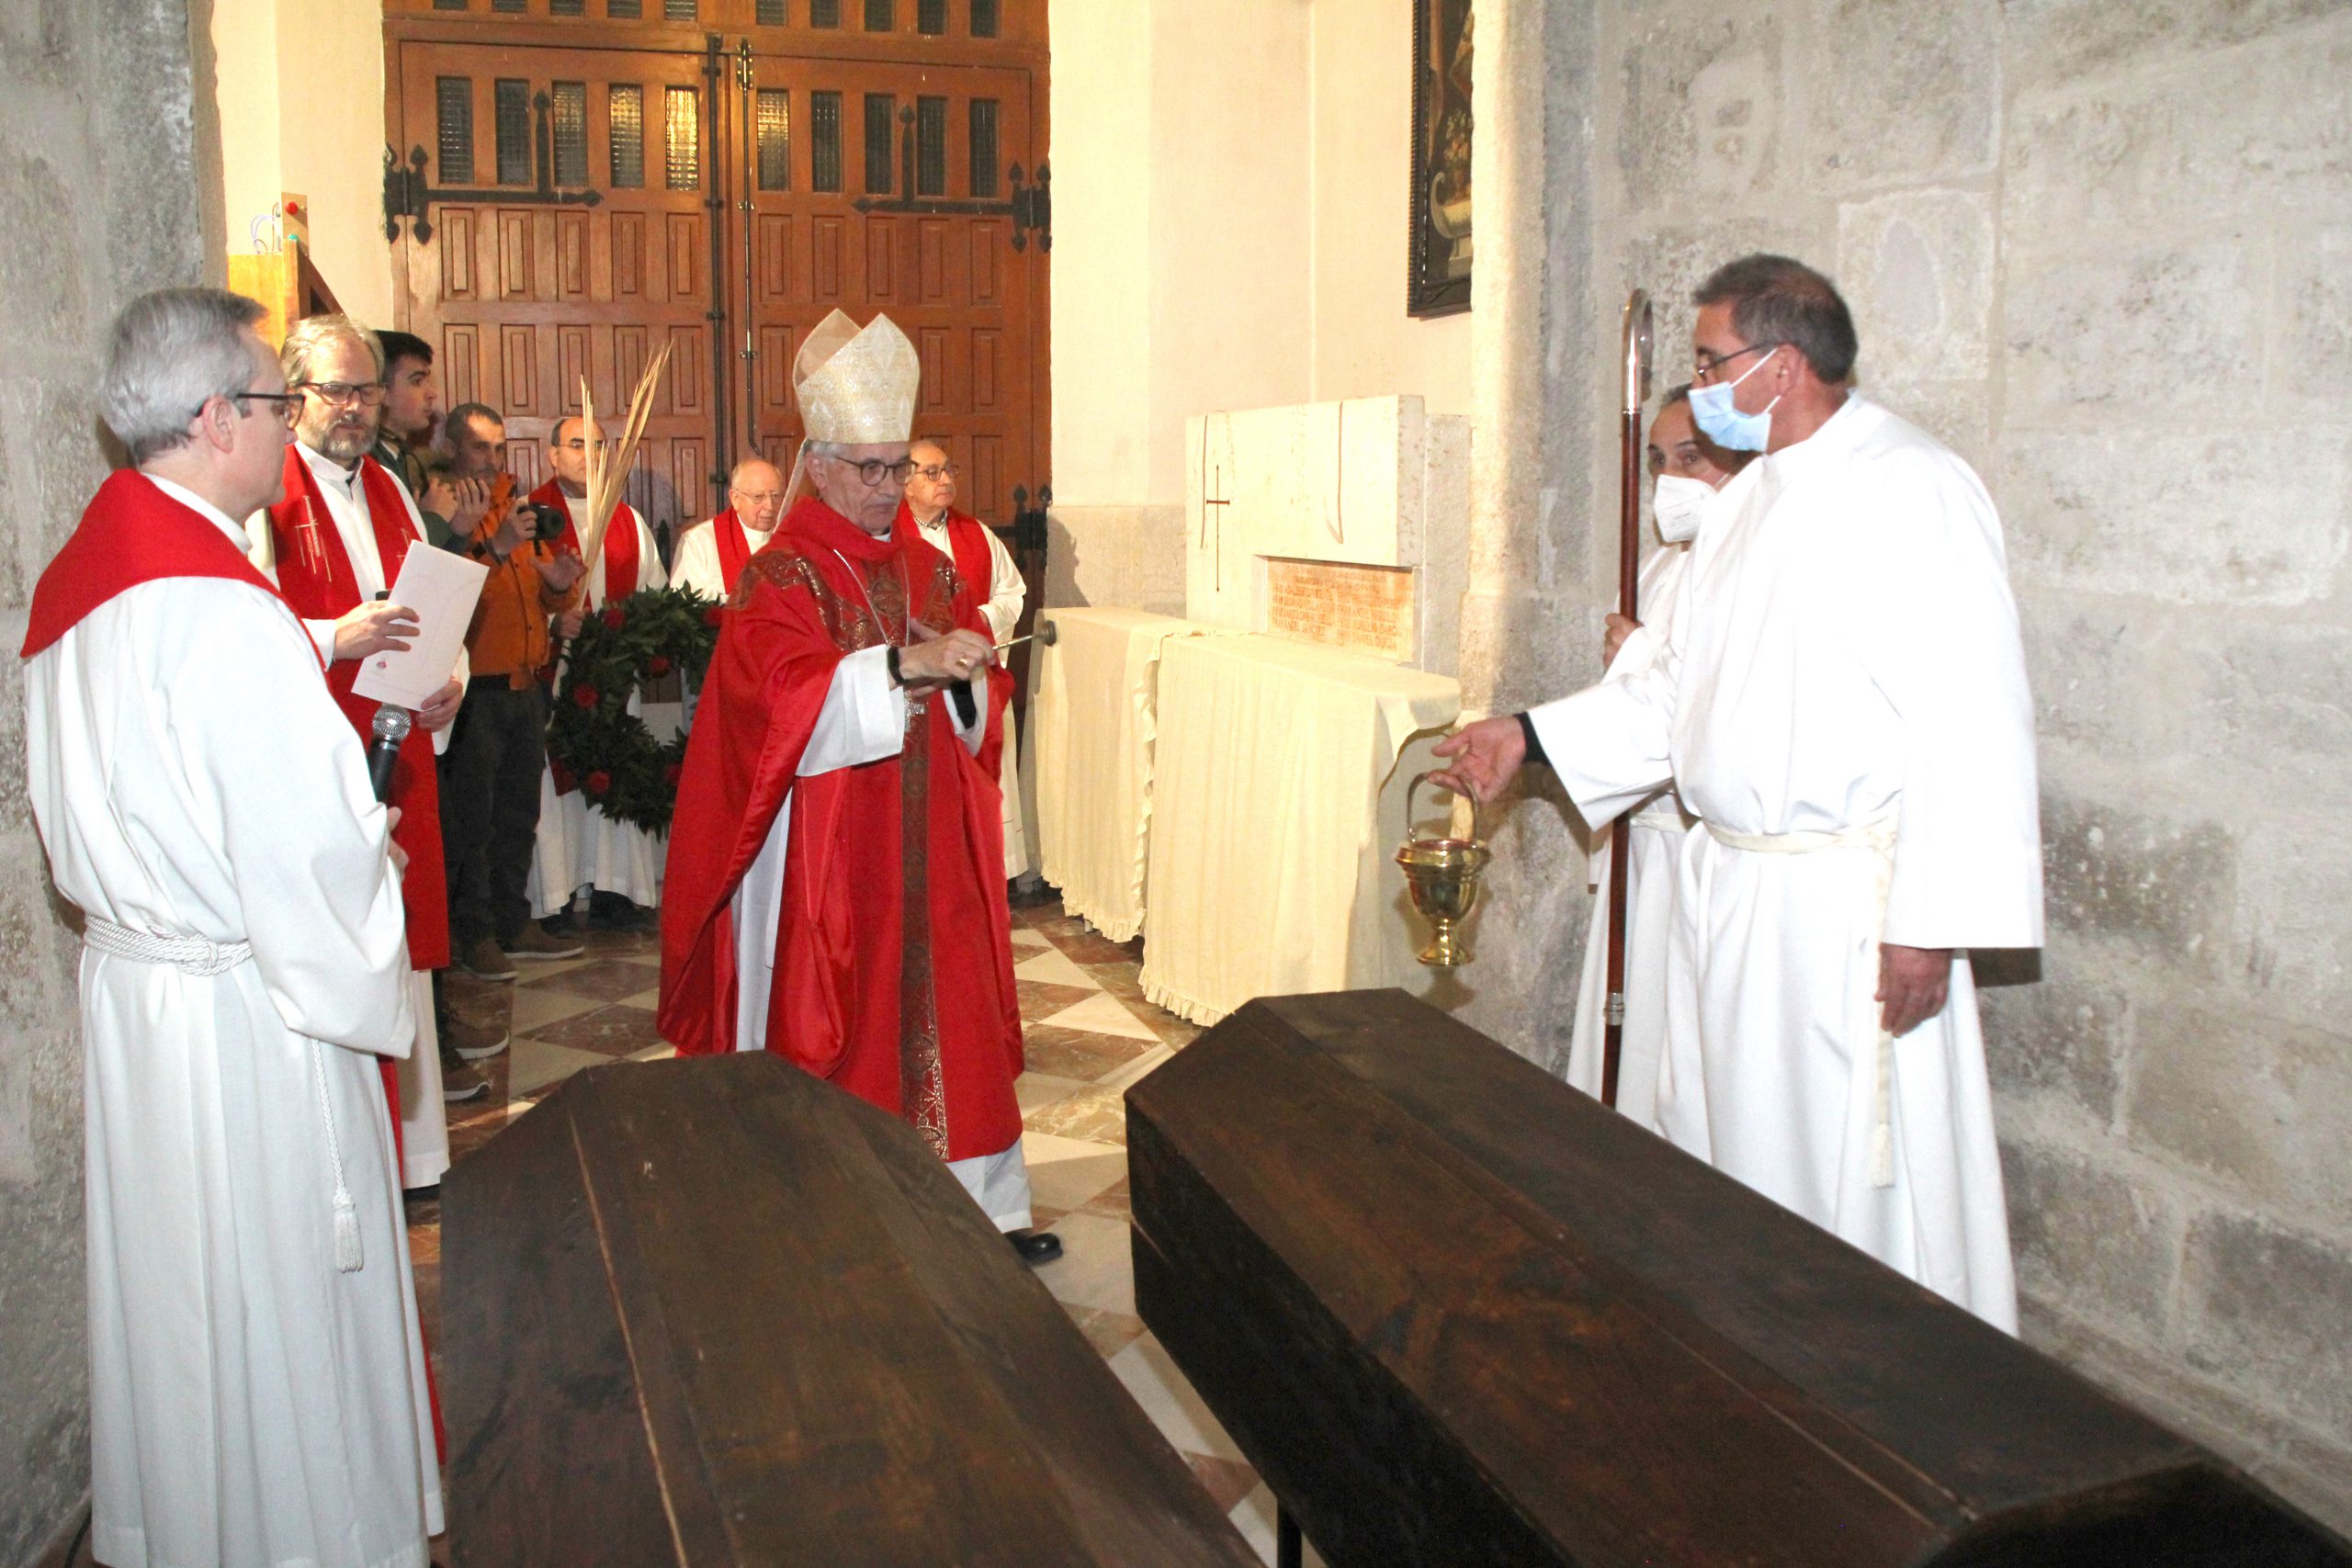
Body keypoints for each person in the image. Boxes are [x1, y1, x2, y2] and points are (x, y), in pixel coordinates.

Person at [1433, 254, 2041, 1330]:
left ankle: (1866, 1369)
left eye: (1713, 361)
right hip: (1730, 893)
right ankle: (1746, 1352)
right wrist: (1523, 738)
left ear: (1782, 365)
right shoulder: (1750, 497)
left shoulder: (1914, 486)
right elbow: (1674, 688)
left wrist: (1929, 928)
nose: (1702, 383)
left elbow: (1972, 714)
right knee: (1723, 1150)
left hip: (1840, 908)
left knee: (1840, 1169)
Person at [23, 285, 439, 1566]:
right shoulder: (226, 609)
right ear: (215, 420)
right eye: (272, 403)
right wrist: (371, 840)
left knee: (181, 1299)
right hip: (251, 1012)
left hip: (144, 1007)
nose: (286, 431)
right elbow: (305, 859)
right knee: (275, 1299)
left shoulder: (69, 589)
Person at [659, 310, 1058, 1265]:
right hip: (826, 845)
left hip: (933, 835)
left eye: (900, 469)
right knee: (846, 1013)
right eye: (871, 470)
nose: (891, 491)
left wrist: (966, 678)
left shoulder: (930, 564)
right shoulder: (781, 574)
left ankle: (980, 1210)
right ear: (823, 463)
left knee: (949, 1008)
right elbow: (772, 702)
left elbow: (981, 692)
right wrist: (895, 671)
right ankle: (833, 1208)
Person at [249, 315, 488, 1180]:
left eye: (362, 390)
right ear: (290, 392)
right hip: (322, 746)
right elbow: (245, 630)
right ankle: (351, 1158)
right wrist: (331, 636)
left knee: (402, 939)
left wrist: (450, 680)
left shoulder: (388, 487)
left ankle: (415, 1157)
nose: (352, 408)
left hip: (400, 744)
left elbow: (436, 603)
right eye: (333, 391)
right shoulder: (265, 493)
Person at [1560, 388, 1747, 1126]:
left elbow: (1706, 700)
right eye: (1658, 460)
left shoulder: (1743, 562)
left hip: (1688, 848)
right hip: (1641, 838)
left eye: (1691, 458)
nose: (1670, 479)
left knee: (1677, 1049)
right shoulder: (1664, 562)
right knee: (1629, 1038)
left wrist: (1638, 653)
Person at [439, 402, 589, 980]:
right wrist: (495, 546)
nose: (492, 458)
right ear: (452, 448)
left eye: (499, 447)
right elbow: (449, 592)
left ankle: (513, 920)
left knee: (517, 814)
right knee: (473, 821)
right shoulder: (447, 510)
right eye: (480, 447)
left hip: (527, 686)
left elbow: (540, 596)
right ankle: (474, 933)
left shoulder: (519, 509)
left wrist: (557, 587)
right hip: (475, 689)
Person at [526, 413, 672, 931]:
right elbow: (503, 598)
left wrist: (636, 635)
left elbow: (654, 593)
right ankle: (557, 894)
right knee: (554, 784)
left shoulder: (627, 520)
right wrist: (550, 622)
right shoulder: (530, 518)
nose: (590, 454)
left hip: (614, 678)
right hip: (553, 672)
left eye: (600, 445)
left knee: (617, 768)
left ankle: (614, 890)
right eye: (577, 444)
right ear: (552, 455)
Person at [903, 436, 1033, 882]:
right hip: (919, 684)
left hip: (976, 677)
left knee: (980, 777)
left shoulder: (977, 534)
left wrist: (972, 624)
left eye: (948, 470)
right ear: (905, 481)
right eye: (931, 472)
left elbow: (1013, 594)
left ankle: (986, 872)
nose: (945, 480)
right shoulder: (884, 535)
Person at [369, 328, 490, 554]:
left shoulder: (399, 457)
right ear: (381, 391)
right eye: (416, 382)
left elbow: (431, 567)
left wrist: (459, 528)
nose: (431, 393)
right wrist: (433, 519)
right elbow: (393, 557)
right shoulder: (367, 463)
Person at [671, 455, 787, 603]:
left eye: (776, 496)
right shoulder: (699, 541)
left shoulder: (793, 540)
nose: (770, 506)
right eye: (758, 497)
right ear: (735, 499)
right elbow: (684, 604)